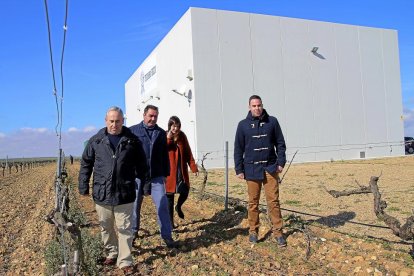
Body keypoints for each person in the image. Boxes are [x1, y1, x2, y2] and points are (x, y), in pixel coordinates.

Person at [78, 106, 147, 274]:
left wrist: (141, 183)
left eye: (117, 121)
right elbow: (86, 163)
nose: (114, 124)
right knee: (106, 227)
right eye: (111, 121)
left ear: (123, 121)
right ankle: (112, 252)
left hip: (125, 193)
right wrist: (83, 185)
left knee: (125, 229)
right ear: (106, 121)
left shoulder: (133, 141)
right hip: (102, 193)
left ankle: (125, 262)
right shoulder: (96, 141)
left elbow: (142, 165)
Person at [234, 95, 287, 247]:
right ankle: (253, 231)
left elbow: (280, 143)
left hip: (270, 168)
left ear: (262, 105)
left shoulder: (272, 122)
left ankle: (278, 232)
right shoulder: (242, 125)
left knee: (273, 202)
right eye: (254, 106)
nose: (257, 108)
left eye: (259, 105)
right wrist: (239, 169)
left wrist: (280, 162)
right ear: (249, 107)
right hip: (251, 169)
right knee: (253, 203)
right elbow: (238, 148)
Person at [129, 105, 177, 248]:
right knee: (135, 205)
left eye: (155, 116)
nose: (153, 118)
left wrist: (165, 174)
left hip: (156, 175)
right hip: (138, 176)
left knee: (162, 204)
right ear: (144, 115)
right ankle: (133, 232)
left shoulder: (161, 133)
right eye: (150, 115)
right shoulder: (133, 131)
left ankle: (167, 236)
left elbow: (164, 155)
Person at [165, 116, 198, 228]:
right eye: (174, 126)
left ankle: (178, 206)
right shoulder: (164, 135)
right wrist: (169, 138)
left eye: (178, 126)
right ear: (170, 126)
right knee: (169, 197)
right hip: (169, 171)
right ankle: (170, 223)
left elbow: (188, 151)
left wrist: (193, 167)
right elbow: (163, 149)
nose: (176, 128)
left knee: (185, 191)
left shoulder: (182, 136)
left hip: (181, 169)